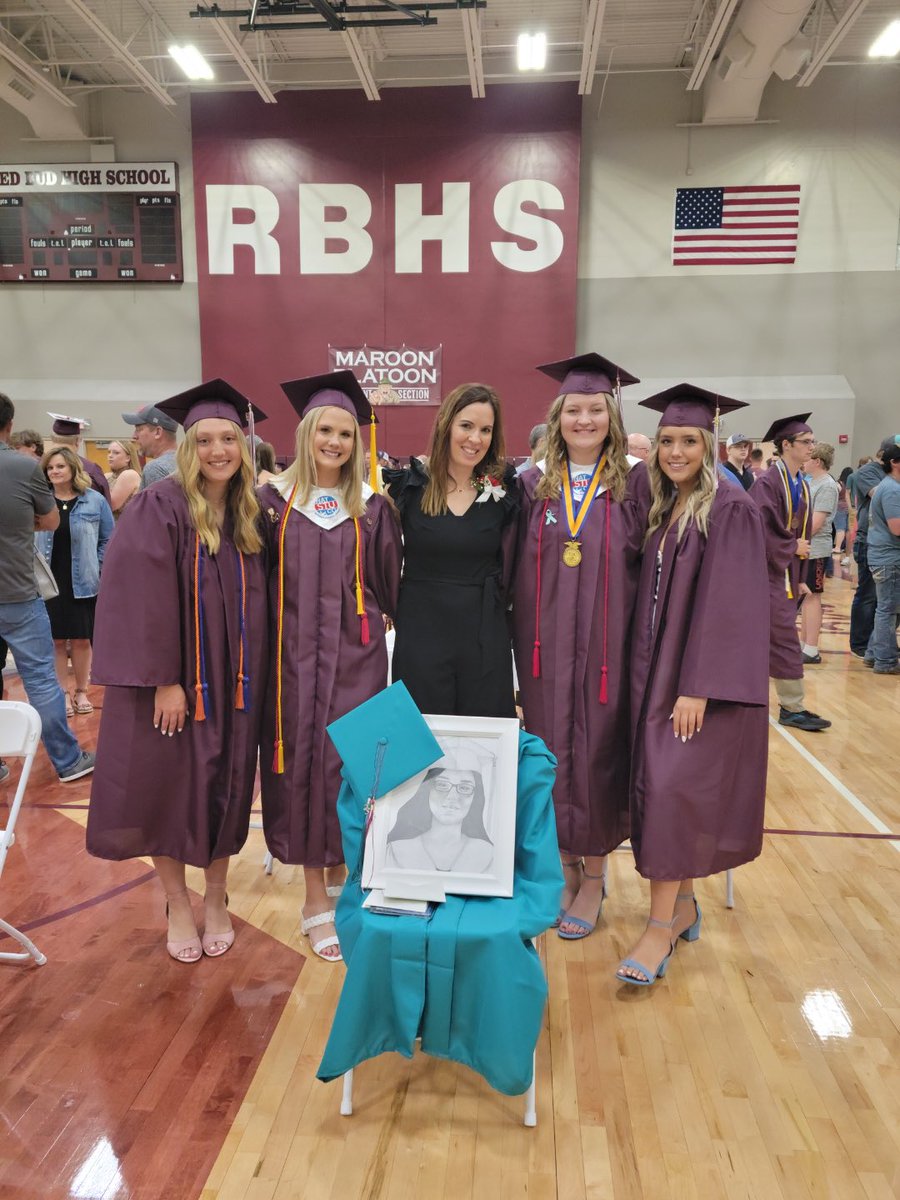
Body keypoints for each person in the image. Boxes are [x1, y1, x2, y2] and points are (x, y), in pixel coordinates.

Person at [86, 380, 269, 963]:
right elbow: (138, 597)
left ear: (244, 446)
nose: (219, 451)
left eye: (229, 439)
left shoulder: (251, 512)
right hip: (174, 685)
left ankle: (216, 897)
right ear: (188, 446)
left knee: (227, 788)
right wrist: (165, 678)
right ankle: (178, 903)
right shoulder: (158, 504)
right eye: (207, 439)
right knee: (164, 791)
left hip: (237, 682)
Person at [617, 385, 769, 986]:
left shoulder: (729, 508)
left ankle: (659, 929)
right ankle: (679, 909)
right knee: (661, 791)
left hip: (692, 687)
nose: (675, 452)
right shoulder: (667, 507)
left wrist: (698, 687)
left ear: (709, 446)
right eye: (667, 442)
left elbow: (730, 605)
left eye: (687, 442)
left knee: (672, 791)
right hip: (657, 677)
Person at [259, 370, 402, 962]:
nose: (335, 441)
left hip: (356, 662)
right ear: (305, 433)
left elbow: (390, 587)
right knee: (299, 768)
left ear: (356, 441)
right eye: (325, 429)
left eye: (345, 432)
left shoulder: (373, 507)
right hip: (290, 663)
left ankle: (349, 880)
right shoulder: (271, 503)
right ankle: (313, 893)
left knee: (352, 770)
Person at [512, 352, 650, 940]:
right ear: (558, 415)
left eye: (596, 409)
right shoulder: (529, 485)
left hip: (606, 651)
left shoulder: (637, 484)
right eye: (575, 410)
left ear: (612, 418)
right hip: (543, 651)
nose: (585, 419)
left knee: (599, 755)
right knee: (549, 755)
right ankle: (563, 867)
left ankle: (595, 875)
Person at [383, 383, 518, 719]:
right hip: (422, 632)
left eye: (486, 430)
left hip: (483, 635)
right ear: (446, 424)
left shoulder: (505, 492)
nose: (475, 439)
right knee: (422, 735)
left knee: (481, 740)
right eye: (467, 426)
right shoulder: (408, 488)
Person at [0, 393, 95, 782]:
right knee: (41, 679)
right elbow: (52, 521)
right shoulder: (23, 467)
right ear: (8, 426)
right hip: (18, 593)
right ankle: (67, 761)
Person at [750, 414, 831, 732]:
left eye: (812, 441)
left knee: (778, 638)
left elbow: (800, 536)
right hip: (768, 575)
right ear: (786, 445)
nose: (812, 446)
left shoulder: (801, 482)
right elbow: (758, 529)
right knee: (782, 638)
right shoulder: (769, 482)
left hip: (787, 574)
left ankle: (787, 705)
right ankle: (791, 706)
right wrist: (790, 548)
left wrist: (800, 577)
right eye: (806, 442)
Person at [36, 446, 114, 718]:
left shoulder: (94, 500)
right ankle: (63, 694)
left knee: (81, 640)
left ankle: (81, 691)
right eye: (50, 468)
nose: (55, 471)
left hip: (83, 580)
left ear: (72, 468)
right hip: (47, 581)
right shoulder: (40, 500)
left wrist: (99, 564)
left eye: (60, 466)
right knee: (56, 641)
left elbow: (109, 538)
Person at [385, 764, 493, 873]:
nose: (452, 797)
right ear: (426, 790)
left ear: (475, 797)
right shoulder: (396, 850)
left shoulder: (488, 854)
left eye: (465, 788)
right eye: (442, 785)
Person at [850, 438, 899, 656]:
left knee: (885, 605)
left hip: (882, 544)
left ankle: (874, 649)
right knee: (871, 598)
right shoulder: (871, 474)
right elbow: (886, 501)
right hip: (873, 542)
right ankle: (864, 646)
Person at [799, 442, 839, 664]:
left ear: (817, 462)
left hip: (817, 549)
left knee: (813, 597)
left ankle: (812, 648)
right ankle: (804, 644)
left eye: (807, 458)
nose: (803, 462)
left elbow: (815, 523)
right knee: (806, 597)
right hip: (807, 548)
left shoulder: (827, 486)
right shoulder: (811, 482)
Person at [863, 443, 900, 674]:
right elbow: (896, 527)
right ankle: (885, 661)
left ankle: (873, 653)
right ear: (895, 463)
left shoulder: (890, 487)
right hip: (889, 557)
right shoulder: (893, 490)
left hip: (885, 556)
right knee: (888, 609)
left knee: (889, 608)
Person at [46, 413, 111, 503]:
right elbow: (105, 505)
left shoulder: (38, 466)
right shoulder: (91, 469)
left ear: (52, 439)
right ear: (77, 441)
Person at [121, 404, 179, 489]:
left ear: (158, 432)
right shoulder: (189, 463)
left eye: (138, 429)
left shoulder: (155, 469)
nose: (134, 436)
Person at [105, 438, 142, 517]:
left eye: (116, 453)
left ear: (128, 458)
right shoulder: (108, 476)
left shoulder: (129, 474)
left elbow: (111, 504)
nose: (110, 455)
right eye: (109, 452)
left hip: (124, 526)